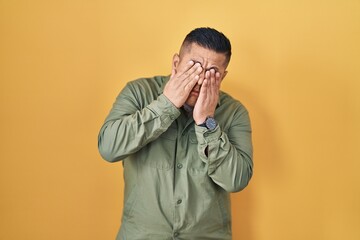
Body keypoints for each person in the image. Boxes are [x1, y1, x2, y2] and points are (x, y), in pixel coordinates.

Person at [98, 27, 253, 240]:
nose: (200, 80)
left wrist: (207, 123)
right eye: (194, 67)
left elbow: (237, 180)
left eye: (212, 73)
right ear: (176, 63)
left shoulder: (235, 112)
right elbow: (108, 148)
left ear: (223, 76)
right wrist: (166, 104)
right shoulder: (138, 92)